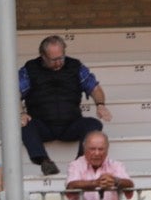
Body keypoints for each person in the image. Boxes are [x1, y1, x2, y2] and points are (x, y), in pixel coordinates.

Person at [19, 36, 111, 177]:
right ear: (43, 56)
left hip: (71, 125)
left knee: (94, 124)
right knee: (23, 126)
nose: (58, 63)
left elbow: (94, 88)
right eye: (53, 60)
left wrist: (100, 105)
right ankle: (44, 161)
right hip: (42, 125)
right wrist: (21, 113)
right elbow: (14, 93)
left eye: (61, 58)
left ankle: (81, 161)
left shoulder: (76, 66)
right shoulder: (29, 69)